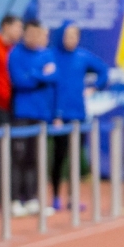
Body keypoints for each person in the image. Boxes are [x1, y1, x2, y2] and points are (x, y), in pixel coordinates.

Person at [49, 22, 110, 209]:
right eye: (68, 35)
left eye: (75, 36)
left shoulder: (82, 57)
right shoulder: (51, 56)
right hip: (58, 116)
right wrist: (54, 113)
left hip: (78, 115)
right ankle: (56, 197)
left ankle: (72, 198)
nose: (71, 39)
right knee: (58, 157)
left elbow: (103, 71)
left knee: (75, 159)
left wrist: (95, 87)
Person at [6, 18, 57, 216]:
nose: (36, 38)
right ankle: (15, 198)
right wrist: (40, 75)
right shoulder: (16, 54)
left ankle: (32, 197)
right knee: (18, 157)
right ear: (25, 34)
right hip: (22, 114)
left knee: (36, 158)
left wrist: (33, 75)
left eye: (40, 34)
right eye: (32, 34)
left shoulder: (46, 53)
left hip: (41, 114)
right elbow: (20, 81)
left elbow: (53, 76)